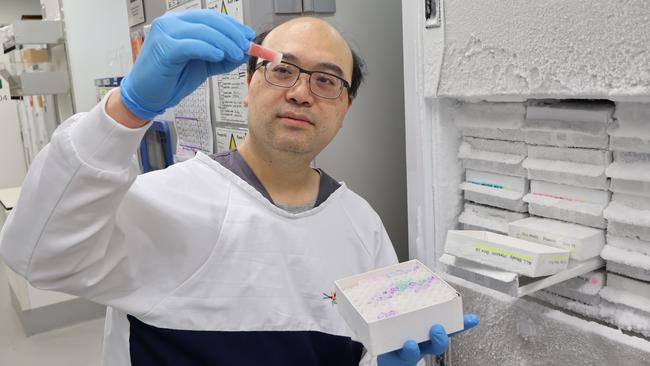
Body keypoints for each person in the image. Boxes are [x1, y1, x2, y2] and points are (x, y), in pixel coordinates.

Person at [0, 10, 477, 366]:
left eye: (327, 81)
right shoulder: (168, 198)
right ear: (249, 85)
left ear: (345, 108)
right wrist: (127, 110)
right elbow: (36, 254)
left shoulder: (361, 224)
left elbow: (374, 343)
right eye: (283, 70)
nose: (300, 92)